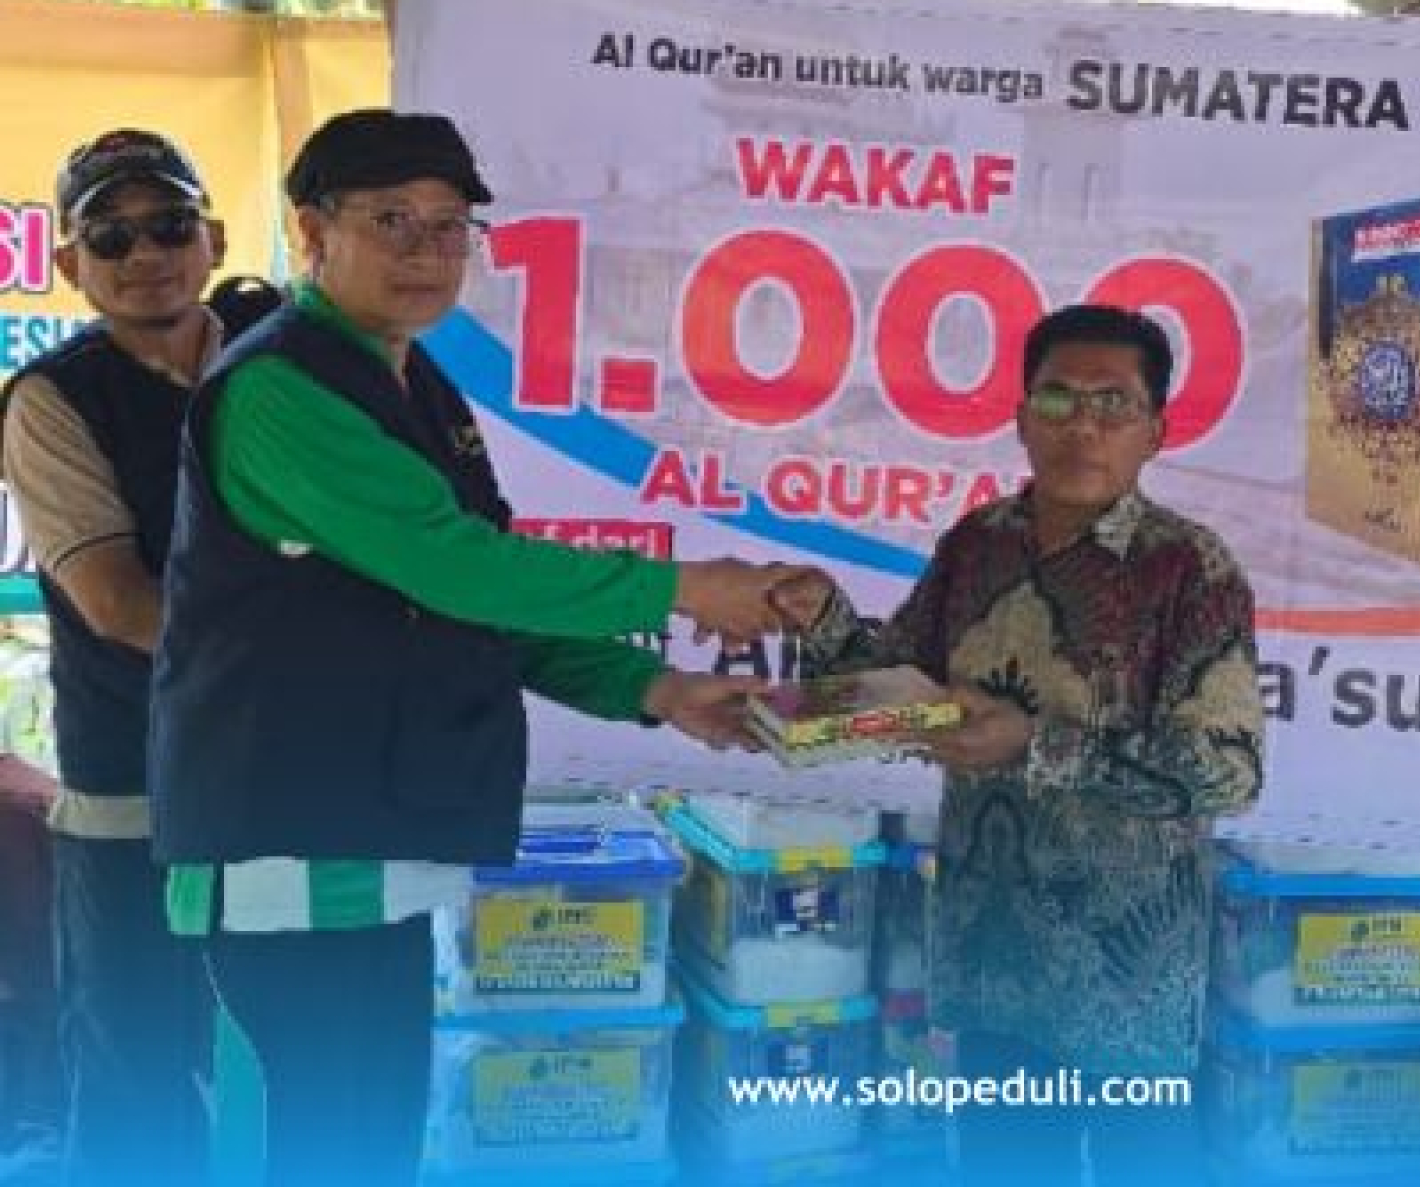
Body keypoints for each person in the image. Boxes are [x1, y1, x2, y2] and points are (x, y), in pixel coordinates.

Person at [146, 108, 786, 1187]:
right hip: (292, 847)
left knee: (378, 1137)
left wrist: (656, 686)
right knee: (319, 1142)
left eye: (450, 226)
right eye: (392, 220)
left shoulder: (414, 379)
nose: (426, 251)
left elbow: (471, 597)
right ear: (311, 230)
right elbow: (458, 568)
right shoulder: (277, 391)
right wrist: (684, 586)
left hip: (380, 833)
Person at [770, 303, 1265, 1187]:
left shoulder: (1191, 570)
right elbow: (901, 683)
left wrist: (1034, 744)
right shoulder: (979, 543)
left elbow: (1228, 773)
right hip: (990, 945)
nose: (1083, 425)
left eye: (1113, 403)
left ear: (1156, 430)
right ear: (1021, 419)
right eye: (1058, 398)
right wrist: (823, 619)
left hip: (1125, 969)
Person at [0, 129, 229, 1186]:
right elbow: (118, 604)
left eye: (169, 224)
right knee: (135, 1069)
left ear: (213, 236)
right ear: (68, 264)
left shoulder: (281, 356)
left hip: (286, 789)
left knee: (282, 1061)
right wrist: (325, 656)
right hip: (130, 783)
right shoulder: (50, 400)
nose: (146, 254)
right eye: (111, 236)